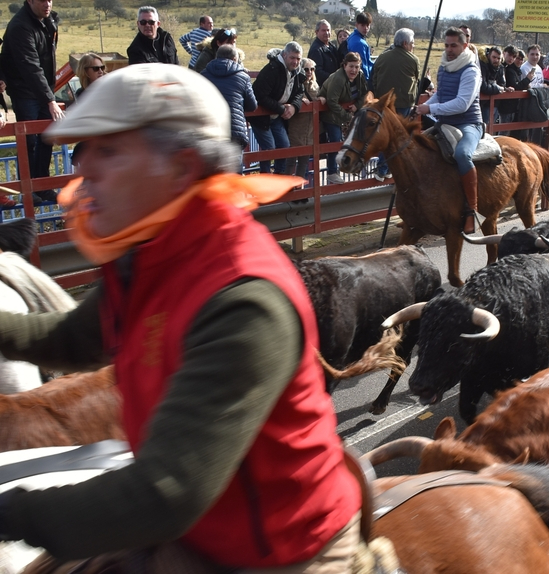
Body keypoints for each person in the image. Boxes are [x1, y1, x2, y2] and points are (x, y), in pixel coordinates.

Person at [0, 62, 361, 572]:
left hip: (279, 552)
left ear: (182, 168)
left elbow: (167, 492)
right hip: (196, 528)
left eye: (110, 151)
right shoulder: (148, 256)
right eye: (85, 153)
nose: (86, 172)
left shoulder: (243, 298)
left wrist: (9, 512)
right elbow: (73, 339)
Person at [414, 26, 482, 234]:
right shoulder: (444, 67)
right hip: (444, 123)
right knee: (414, 150)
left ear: (465, 46)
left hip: (468, 123)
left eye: (454, 45)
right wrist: (420, 109)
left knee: (462, 154)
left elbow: (462, 104)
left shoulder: (471, 70)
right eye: (446, 45)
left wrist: (430, 108)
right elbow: (440, 96)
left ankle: (472, 211)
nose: (449, 49)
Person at [0, 0, 63, 202]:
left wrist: (48, 95)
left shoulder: (49, 20)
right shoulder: (20, 26)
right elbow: (30, 66)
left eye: (50, 0)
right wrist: (50, 99)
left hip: (43, 88)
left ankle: (42, 185)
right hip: (24, 90)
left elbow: (47, 56)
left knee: (46, 137)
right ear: (30, 1)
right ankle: (28, 190)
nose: (48, 4)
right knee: (28, 140)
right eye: (42, 0)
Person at [371, 28, 420, 181]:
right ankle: (391, 168)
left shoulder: (382, 57)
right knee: (399, 137)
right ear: (405, 43)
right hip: (404, 103)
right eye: (412, 43)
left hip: (384, 103)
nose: (413, 46)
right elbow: (417, 78)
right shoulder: (413, 59)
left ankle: (382, 168)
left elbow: (373, 77)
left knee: (384, 134)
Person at [248, 42, 304, 174]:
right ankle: (266, 179)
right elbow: (259, 95)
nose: (295, 62)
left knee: (284, 146)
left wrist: (294, 107)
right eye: (292, 58)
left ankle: (279, 178)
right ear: (284, 55)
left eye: (298, 59)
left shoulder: (297, 72)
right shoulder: (271, 70)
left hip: (277, 116)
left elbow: (300, 92)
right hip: (261, 116)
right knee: (269, 148)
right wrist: (282, 109)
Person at [318, 51, 369, 185]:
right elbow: (331, 101)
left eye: (357, 67)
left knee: (353, 140)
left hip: (347, 112)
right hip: (331, 114)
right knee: (335, 142)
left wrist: (357, 106)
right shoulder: (338, 78)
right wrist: (347, 117)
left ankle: (351, 167)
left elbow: (364, 94)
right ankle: (332, 173)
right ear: (344, 65)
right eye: (351, 66)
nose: (354, 70)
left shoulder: (360, 76)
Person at [201, 43, 257, 152]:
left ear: (217, 57)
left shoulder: (203, 75)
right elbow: (252, 105)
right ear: (235, 59)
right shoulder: (243, 77)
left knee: (212, 167)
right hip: (234, 131)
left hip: (210, 130)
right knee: (234, 167)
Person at [284, 58, 319, 178]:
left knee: (304, 162)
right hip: (296, 127)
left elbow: (318, 98)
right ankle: (288, 188)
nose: (309, 72)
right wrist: (299, 100)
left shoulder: (315, 86)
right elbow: (290, 99)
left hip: (310, 129)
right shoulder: (296, 84)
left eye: (312, 69)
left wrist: (322, 100)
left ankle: (299, 188)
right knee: (291, 161)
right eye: (306, 69)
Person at [478, 45, 509, 124]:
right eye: (494, 57)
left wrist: (494, 85)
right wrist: (497, 88)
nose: (496, 60)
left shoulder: (501, 68)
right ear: (489, 56)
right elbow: (483, 86)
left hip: (495, 103)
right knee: (484, 128)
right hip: (483, 104)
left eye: (498, 58)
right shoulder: (482, 66)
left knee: (492, 128)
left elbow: (503, 84)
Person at [346, 12, 375, 86]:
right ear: (356, 25)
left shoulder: (353, 36)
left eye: (367, 25)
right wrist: (368, 83)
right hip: (360, 81)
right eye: (362, 25)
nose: (365, 28)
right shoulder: (359, 43)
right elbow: (362, 66)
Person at [308, 19, 340, 86]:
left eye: (328, 30)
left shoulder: (331, 46)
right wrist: (335, 78)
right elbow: (318, 72)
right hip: (324, 88)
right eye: (323, 30)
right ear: (317, 32)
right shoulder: (316, 50)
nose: (326, 33)